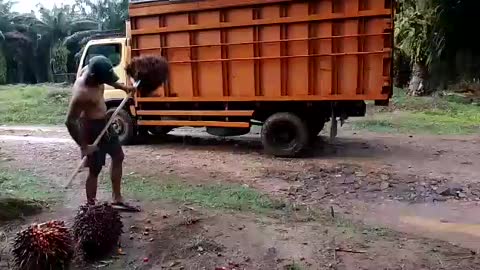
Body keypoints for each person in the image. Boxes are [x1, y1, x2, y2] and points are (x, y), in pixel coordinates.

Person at [65, 55, 140, 212]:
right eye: (102, 79)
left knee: (118, 156)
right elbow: (70, 121)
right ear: (94, 78)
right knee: (95, 169)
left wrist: (123, 88)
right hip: (90, 128)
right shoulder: (82, 93)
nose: (105, 81)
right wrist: (84, 146)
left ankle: (117, 199)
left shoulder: (92, 69)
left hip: (105, 123)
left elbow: (107, 79)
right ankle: (90, 207)